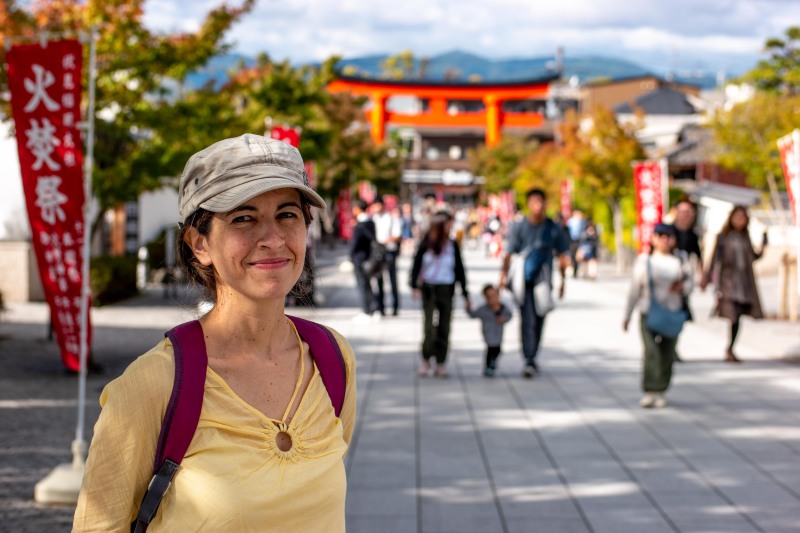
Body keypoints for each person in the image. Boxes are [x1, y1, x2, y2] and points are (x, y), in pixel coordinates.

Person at [73, 134, 357, 531]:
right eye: (243, 218)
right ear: (199, 243)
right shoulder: (152, 384)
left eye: (287, 215)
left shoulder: (331, 358)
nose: (273, 239)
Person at [499, 188, 570, 378]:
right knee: (527, 318)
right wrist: (503, 276)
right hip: (523, 279)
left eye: (541, 202)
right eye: (534, 202)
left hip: (544, 279)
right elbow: (509, 252)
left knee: (540, 316)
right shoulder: (520, 226)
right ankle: (528, 357)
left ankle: (533, 354)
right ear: (529, 204)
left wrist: (563, 281)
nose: (538, 206)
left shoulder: (553, 228)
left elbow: (563, 255)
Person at [623, 223, 693, 408]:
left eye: (668, 236)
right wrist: (627, 315)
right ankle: (649, 389)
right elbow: (634, 289)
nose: (664, 239)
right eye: (660, 235)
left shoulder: (680, 259)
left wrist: (682, 287)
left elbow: (690, 284)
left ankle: (661, 389)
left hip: (673, 312)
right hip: (649, 311)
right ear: (653, 238)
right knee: (651, 352)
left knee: (668, 353)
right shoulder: (645, 260)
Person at [701, 205, 766, 363]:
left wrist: (764, 246)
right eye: (737, 217)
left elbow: (753, 257)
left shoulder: (745, 237)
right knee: (733, 315)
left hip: (744, 282)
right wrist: (707, 277)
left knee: (738, 316)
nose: (739, 220)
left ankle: (730, 347)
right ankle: (730, 349)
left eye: (742, 218)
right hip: (728, 282)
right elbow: (715, 259)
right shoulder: (723, 237)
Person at [409, 211, 470, 378]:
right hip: (428, 289)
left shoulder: (452, 245)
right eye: (448, 224)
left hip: (446, 288)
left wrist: (465, 293)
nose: (451, 227)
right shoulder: (426, 244)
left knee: (444, 326)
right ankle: (426, 358)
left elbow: (459, 269)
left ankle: (441, 362)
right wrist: (414, 285)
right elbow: (416, 265)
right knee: (429, 327)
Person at [466, 284, 513, 377]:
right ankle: (489, 366)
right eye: (489, 297)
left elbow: (509, 315)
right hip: (488, 334)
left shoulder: (503, 309)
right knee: (490, 350)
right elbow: (473, 314)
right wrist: (468, 308)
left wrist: (504, 319)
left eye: (494, 296)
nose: (492, 299)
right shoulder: (483, 310)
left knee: (497, 350)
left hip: (498, 335)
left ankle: (492, 363)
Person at [372, 196, 402, 315]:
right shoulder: (373, 219)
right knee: (379, 280)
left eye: (377, 205)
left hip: (389, 251)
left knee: (392, 280)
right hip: (378, 252)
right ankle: (381, 307)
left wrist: (385, 241)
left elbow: (398, 235)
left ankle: (395, 306)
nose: (376, 208)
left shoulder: (391, 218)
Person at [350, 199, 380, 321]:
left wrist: (351, 257)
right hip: (367, 258)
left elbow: (355, 244)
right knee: (367, 284)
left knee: (363, 285)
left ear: (358, 208)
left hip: (360, 258)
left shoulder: (361, 225)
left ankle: (367, 311)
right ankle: (373, 308)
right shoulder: (370, 222)